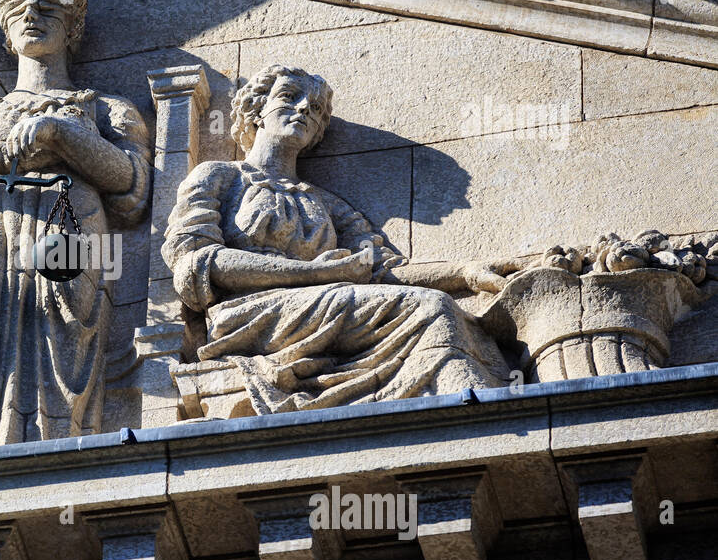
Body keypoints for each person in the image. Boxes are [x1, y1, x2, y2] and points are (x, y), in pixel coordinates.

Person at [161, 64, 516, 414]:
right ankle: (479, 415)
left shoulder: (325, 203)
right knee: (430, 307)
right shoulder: (219, 176)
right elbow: (195, 264)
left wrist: (464, 272)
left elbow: (380, 270)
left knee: (445, 308)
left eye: (315, 109)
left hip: (322, 303)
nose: (303, 109)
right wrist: (315, 273)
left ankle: (470, 413)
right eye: (288, 96)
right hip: (249, 315)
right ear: (257, 110)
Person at [0, 0, 150, 449]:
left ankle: (64, 453)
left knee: (64, 339)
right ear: (4, 34)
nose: (31, 16)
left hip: (67, 231)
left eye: (48, 9)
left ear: (73, 28)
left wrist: (64, 135)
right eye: (17, 12)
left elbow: (132, 188)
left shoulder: (104, 108)